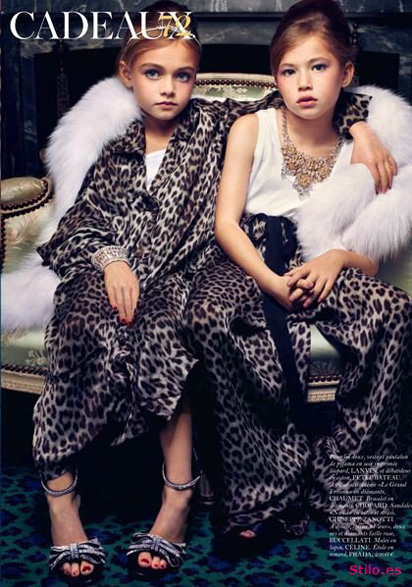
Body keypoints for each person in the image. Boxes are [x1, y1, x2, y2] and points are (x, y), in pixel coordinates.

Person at [5, 0, 398, 583]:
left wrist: (361, 126)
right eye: (153, 73)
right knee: (82, 326)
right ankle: (62, 498)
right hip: (102, 270)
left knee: (170, 332)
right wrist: (111, 261)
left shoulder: (217, 124)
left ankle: (178, 498)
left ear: (195, 78)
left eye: (183, 75)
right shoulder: (114, 145)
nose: (168, 88)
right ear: (127, 74)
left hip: (176, 278)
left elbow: (296, 101)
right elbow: (77, 223)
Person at [184, 0, 411, 553]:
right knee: (208, 315)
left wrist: (335, 260)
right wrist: (268, 280)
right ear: (275, 78)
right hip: (248, 257)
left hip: (322, 261)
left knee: (396, 312)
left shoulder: (362, 149)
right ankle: (259, 493)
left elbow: (369, 257)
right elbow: (225, 224)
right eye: (289, 70)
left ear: (346, 72)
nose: (303, 83)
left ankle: (349, 486)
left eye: (318, 67)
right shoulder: (252, 127)